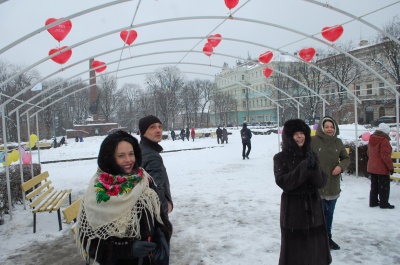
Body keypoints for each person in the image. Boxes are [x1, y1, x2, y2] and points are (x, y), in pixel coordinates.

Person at [75, 130, 172, 265]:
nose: (128, 160)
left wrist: (161, 235)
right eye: (121, 156)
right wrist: (127, 249)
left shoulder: (143, 179)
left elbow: (160, 217)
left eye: (131, 154)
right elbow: (89, 241)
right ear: (110, 158)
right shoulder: (96, 192)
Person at [273, 119, 331, 265]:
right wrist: (303, 167)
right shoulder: (280, 158)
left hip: (314, 209)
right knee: (296, 253)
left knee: (315, 251)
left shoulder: (311, 155)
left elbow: (321, 182)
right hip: (293, 211)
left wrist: (314, 168)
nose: (300, 137)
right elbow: (284, 182)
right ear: (288, 137)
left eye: (302, 133)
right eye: (296, 134)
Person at [310, 116, 350, 250]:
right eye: (326, 127)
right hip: (318, 185)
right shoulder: (313, 141)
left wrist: (340, 166)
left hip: (333, 185)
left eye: (331, 127)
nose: (329, 129)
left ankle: (327, 238)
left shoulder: (338, 142)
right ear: (321, 128)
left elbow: (346, 158)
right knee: (318, 215)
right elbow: (305, 157)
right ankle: (316, 240)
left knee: (329, 214)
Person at [367, 123, 395, 209]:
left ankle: (373, 202)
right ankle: (384, 204)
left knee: (374, 186)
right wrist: (390, 167)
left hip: (372, 166)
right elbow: (385, 156)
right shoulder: (384, 141)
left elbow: (368, 153)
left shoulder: (372, 138)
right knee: (384, 187)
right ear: (385, 132)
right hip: (381, 168)